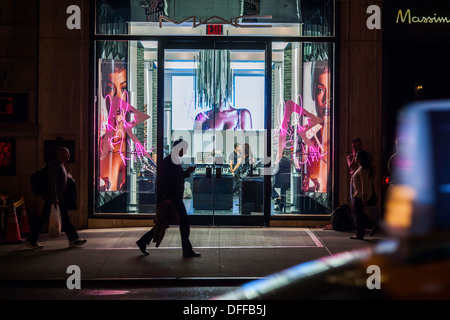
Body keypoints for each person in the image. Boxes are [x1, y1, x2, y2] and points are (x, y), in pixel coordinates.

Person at [136, 139, 200, 258]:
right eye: (184, 149)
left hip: (174, 198)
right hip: (172, 198)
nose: (185, 152)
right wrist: (168, 197)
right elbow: (166, 181)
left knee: (165, 222)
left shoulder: (173, 160)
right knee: (182, 221)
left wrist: (187, 172)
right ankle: (186, 250)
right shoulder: (170, 161)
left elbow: (177, 178)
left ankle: (143, 241)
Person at [25, 147, 87, 249]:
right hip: (53, 199)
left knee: (56, 218)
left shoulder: (60, 166)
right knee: (52, 219)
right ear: (61, 155)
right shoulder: (56, 166)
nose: (69, 156)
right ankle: (73, 240)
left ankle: (73, 239)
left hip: (56, 199)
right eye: (67, 154)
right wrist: (55, 198)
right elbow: (52, 183)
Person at [99, 60, 128, 191]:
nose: (117, 97)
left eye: (123, 89)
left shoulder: (127, 144)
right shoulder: (101, 144)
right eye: (111, 88)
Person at [350, 150, 374, 240]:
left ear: (360, 158)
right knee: (358, 213)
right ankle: (370, 226)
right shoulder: (360, 168)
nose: (355, 157)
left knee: (358, 214)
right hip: (358, 194)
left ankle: (360, 233)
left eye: (356, 156)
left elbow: (364, 183)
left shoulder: (363, 169)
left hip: (360, 195)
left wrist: (364, 196)